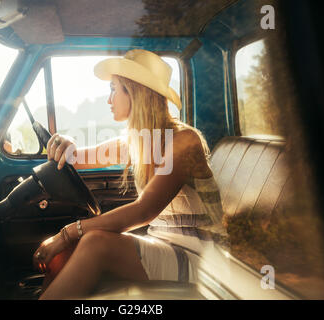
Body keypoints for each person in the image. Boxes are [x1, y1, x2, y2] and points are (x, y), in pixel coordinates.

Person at [33, 49, 226, 300]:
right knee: (69, 249)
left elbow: (144, 211)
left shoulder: (184, 141)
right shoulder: (137, 141)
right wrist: (66, 142)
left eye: (114, 89)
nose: (109, 99)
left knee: (93, 243)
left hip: (200, 258)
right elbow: (75, 158)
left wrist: (68, 232)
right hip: (164, 244)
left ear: (134, 92)